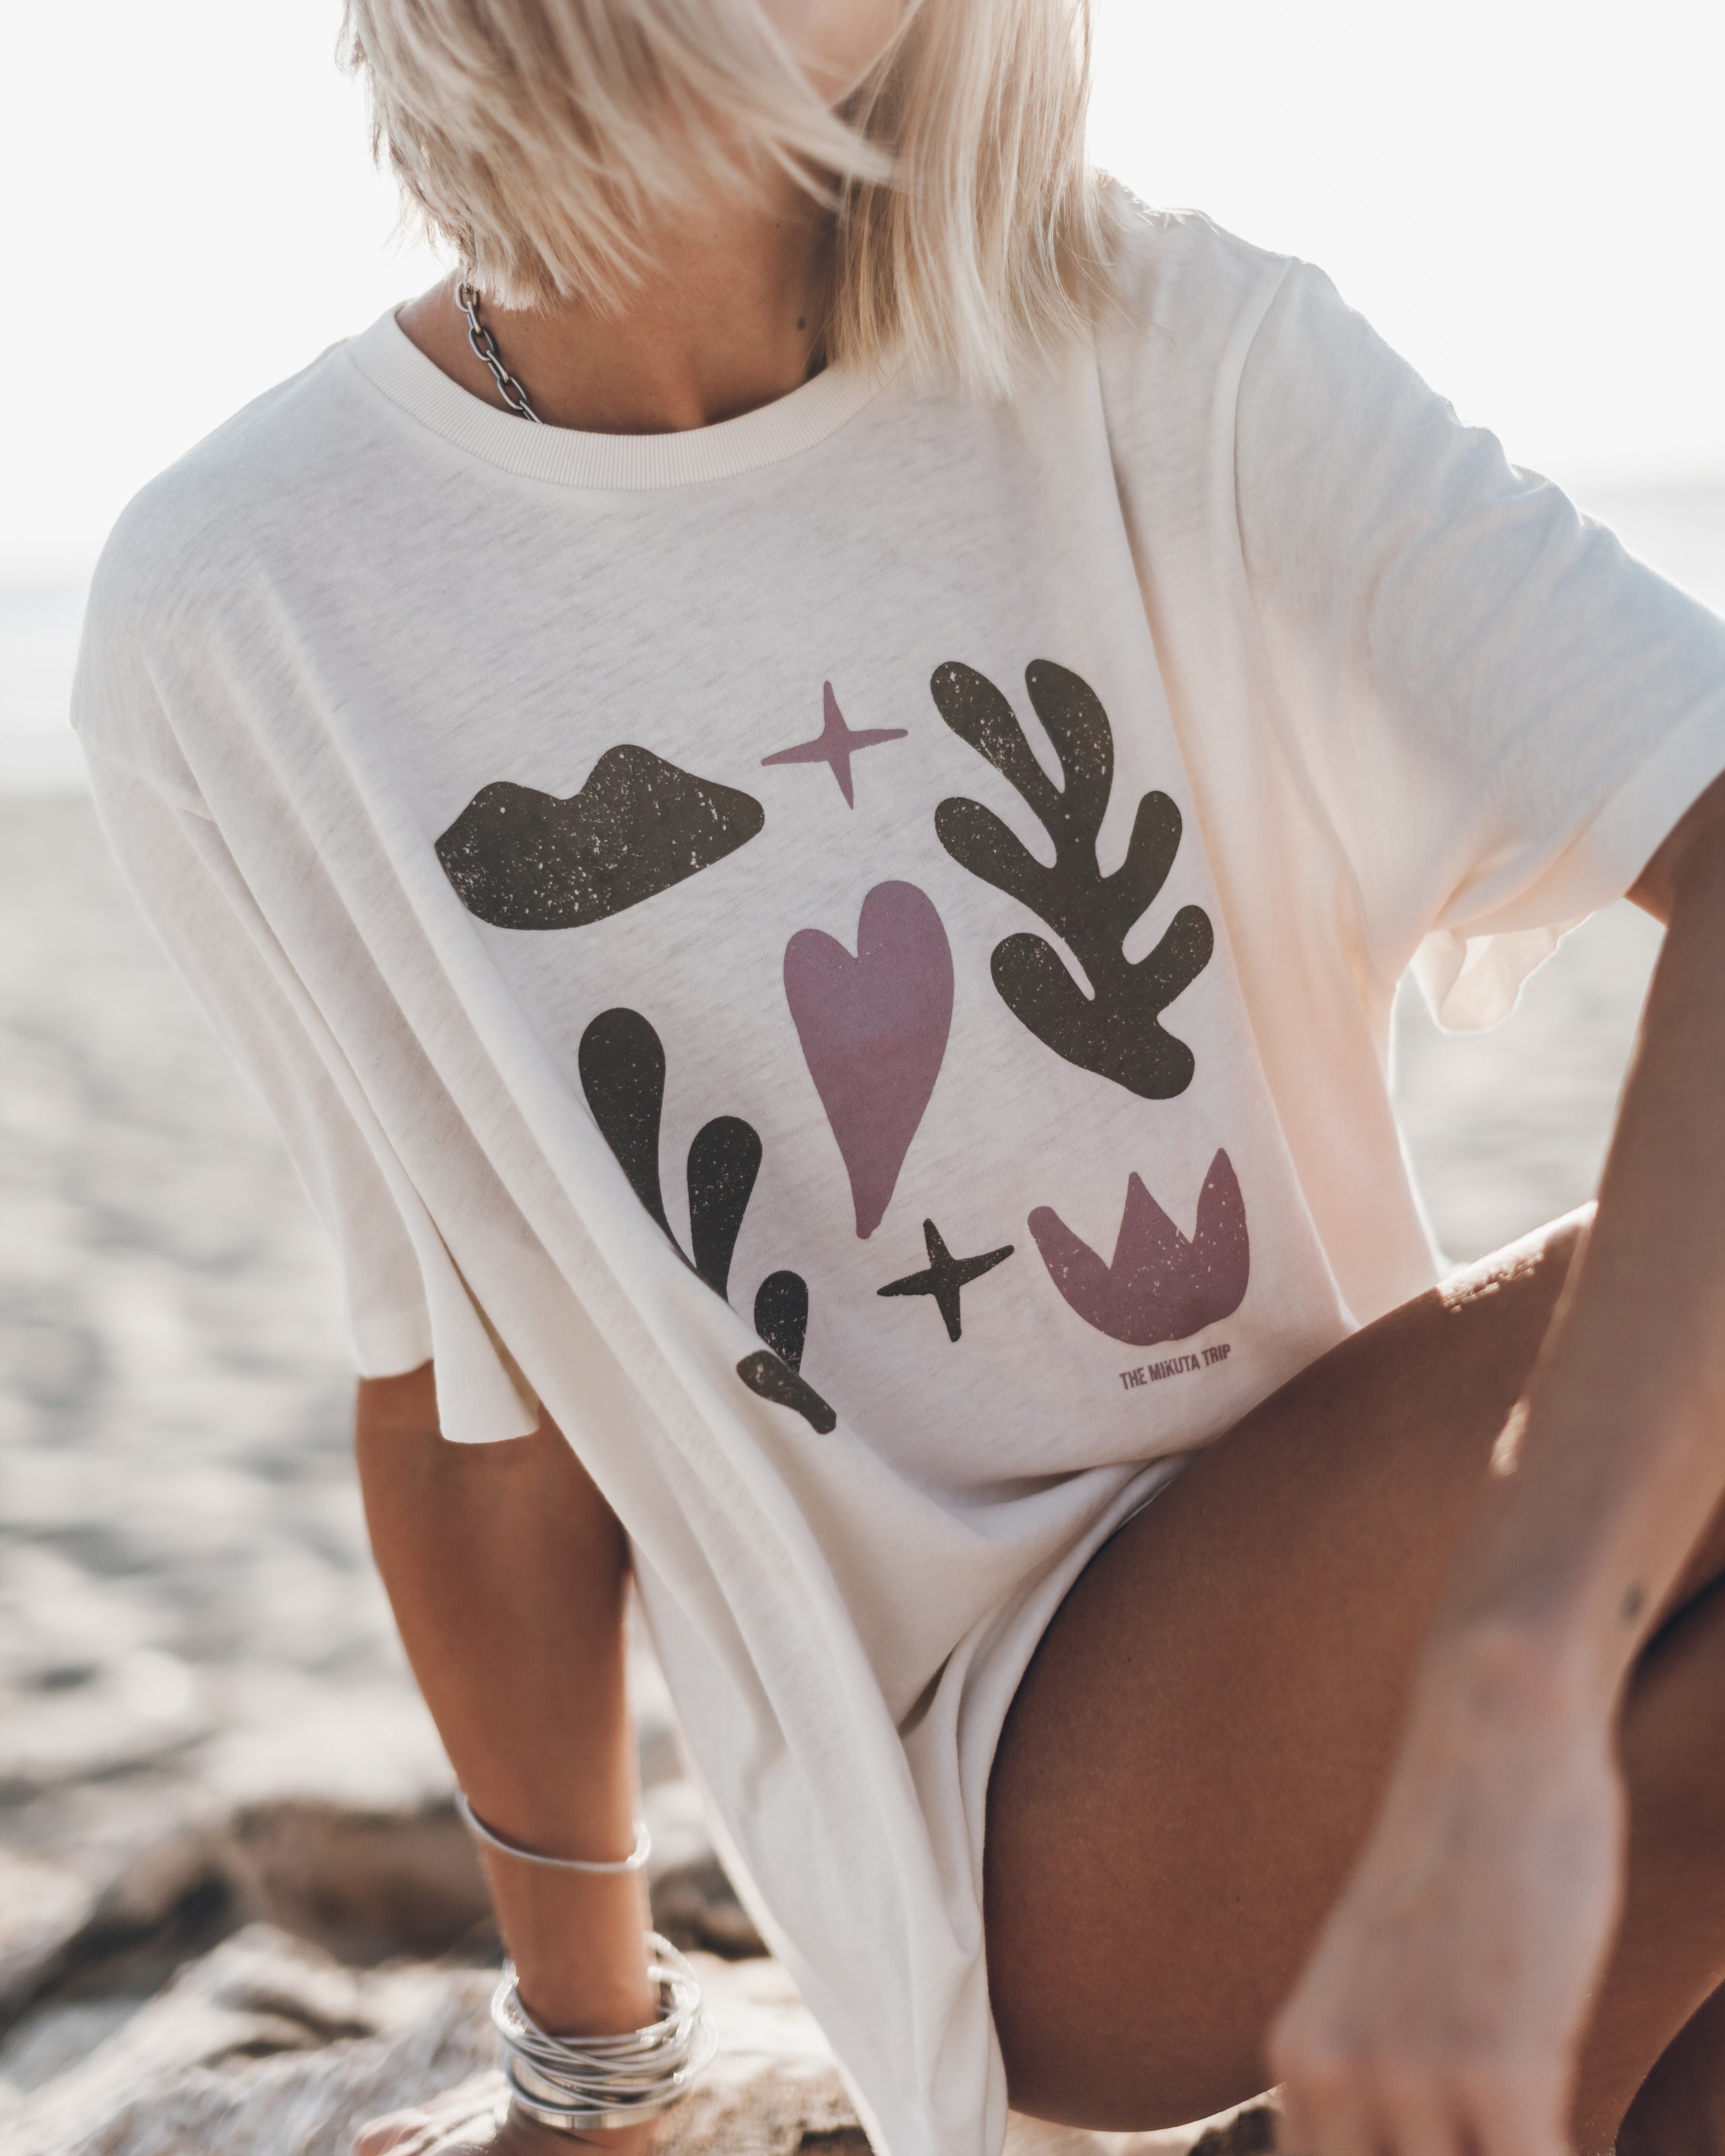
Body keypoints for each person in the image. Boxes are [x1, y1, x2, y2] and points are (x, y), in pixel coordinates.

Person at [71, 1, 1725, 2151]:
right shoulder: (248, 603)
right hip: (1012, 1827)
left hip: (1397, 1617)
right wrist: (593, 2067)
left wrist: (1510, 1703)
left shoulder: (1172, 344)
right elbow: (477, 1417)